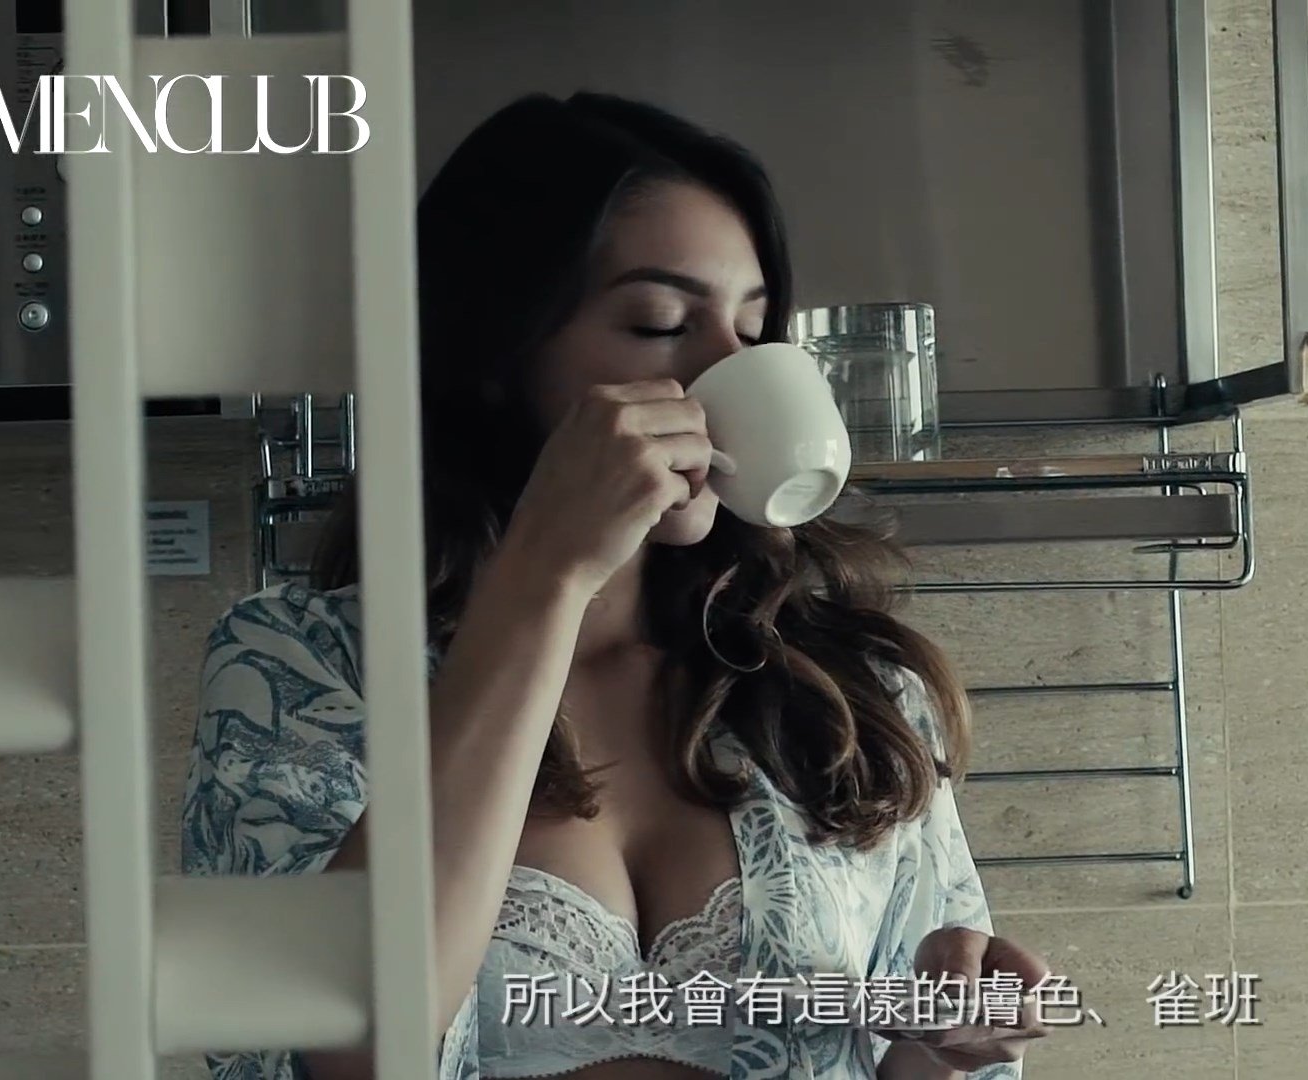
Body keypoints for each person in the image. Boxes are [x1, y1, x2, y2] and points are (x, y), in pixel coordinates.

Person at [178, 91, 1050, 1080]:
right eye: (659, 322)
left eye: (753, 331)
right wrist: (546, 572)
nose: (725, 375)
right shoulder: (296, 668)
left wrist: (943, 1048)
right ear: (496, 356)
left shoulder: (848, 690)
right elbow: (349, 1050)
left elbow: (917, 1048)